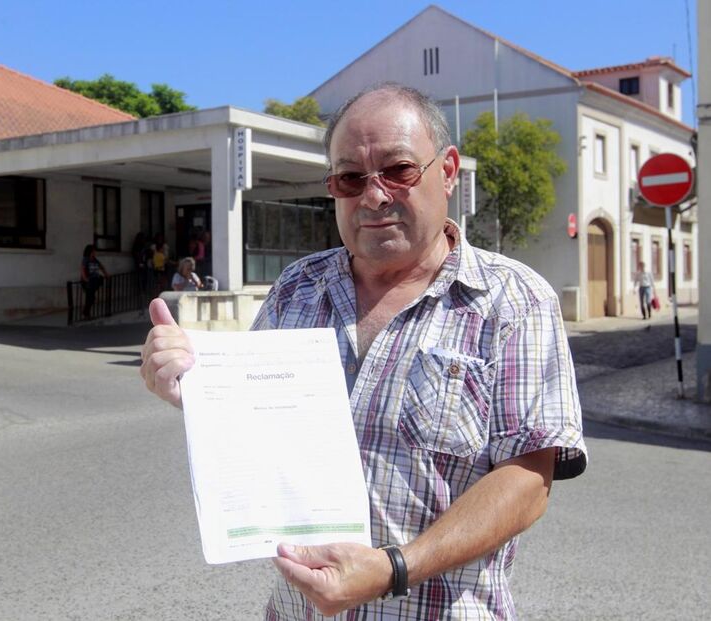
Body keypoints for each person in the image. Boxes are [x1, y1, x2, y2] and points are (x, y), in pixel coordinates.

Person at [140, 84, 587, 620]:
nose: (374, 196)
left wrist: (394, 568)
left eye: (398, 170)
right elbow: (253, 426)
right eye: (351, 178)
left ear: (447, 171)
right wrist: (194, 387)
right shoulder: (296, 288)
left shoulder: (515, 301)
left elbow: (528, 480)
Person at [79, 243, 108, 319]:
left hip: (93, 281)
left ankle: (86, 313)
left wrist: (106, 274)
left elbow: (101, 267)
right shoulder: (86, 259)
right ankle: (86, 313)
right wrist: (85, 279)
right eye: (94, 251)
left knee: (91, 298)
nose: (95, 252)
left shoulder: (95, 259)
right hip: (88, 282)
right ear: (90, 251)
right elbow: (82, 269)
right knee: (90, 298)